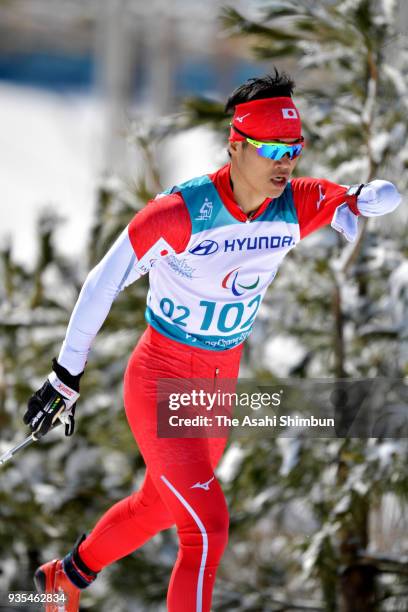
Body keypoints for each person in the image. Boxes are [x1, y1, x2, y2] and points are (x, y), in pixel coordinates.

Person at [24, 69, 401, 612]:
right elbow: (103, 280)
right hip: (159, 378)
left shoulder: (294, 204)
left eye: (293, 148)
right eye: (271, 148)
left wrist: (363, 198)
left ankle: (64, 578)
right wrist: (66, 374)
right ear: (236, 145)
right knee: (206, 528)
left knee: (160, 505)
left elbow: (350, 195)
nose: (284, 162)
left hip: (216, 390)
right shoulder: (181, 213)